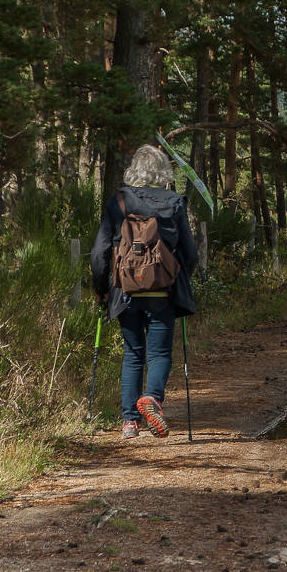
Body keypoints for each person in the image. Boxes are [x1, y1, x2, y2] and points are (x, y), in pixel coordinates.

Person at [90, 145, 198, 440]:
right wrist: (180, 279)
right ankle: (152, 397)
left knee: (133, 353)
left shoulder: (119, 202)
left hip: (125, 292)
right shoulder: (175, 202)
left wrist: (101, 290)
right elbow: (190, 254)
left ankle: (129, 423)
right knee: (160, 352)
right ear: (163, 171)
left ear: (134, 169)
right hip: (162, 291)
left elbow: (99, 252)